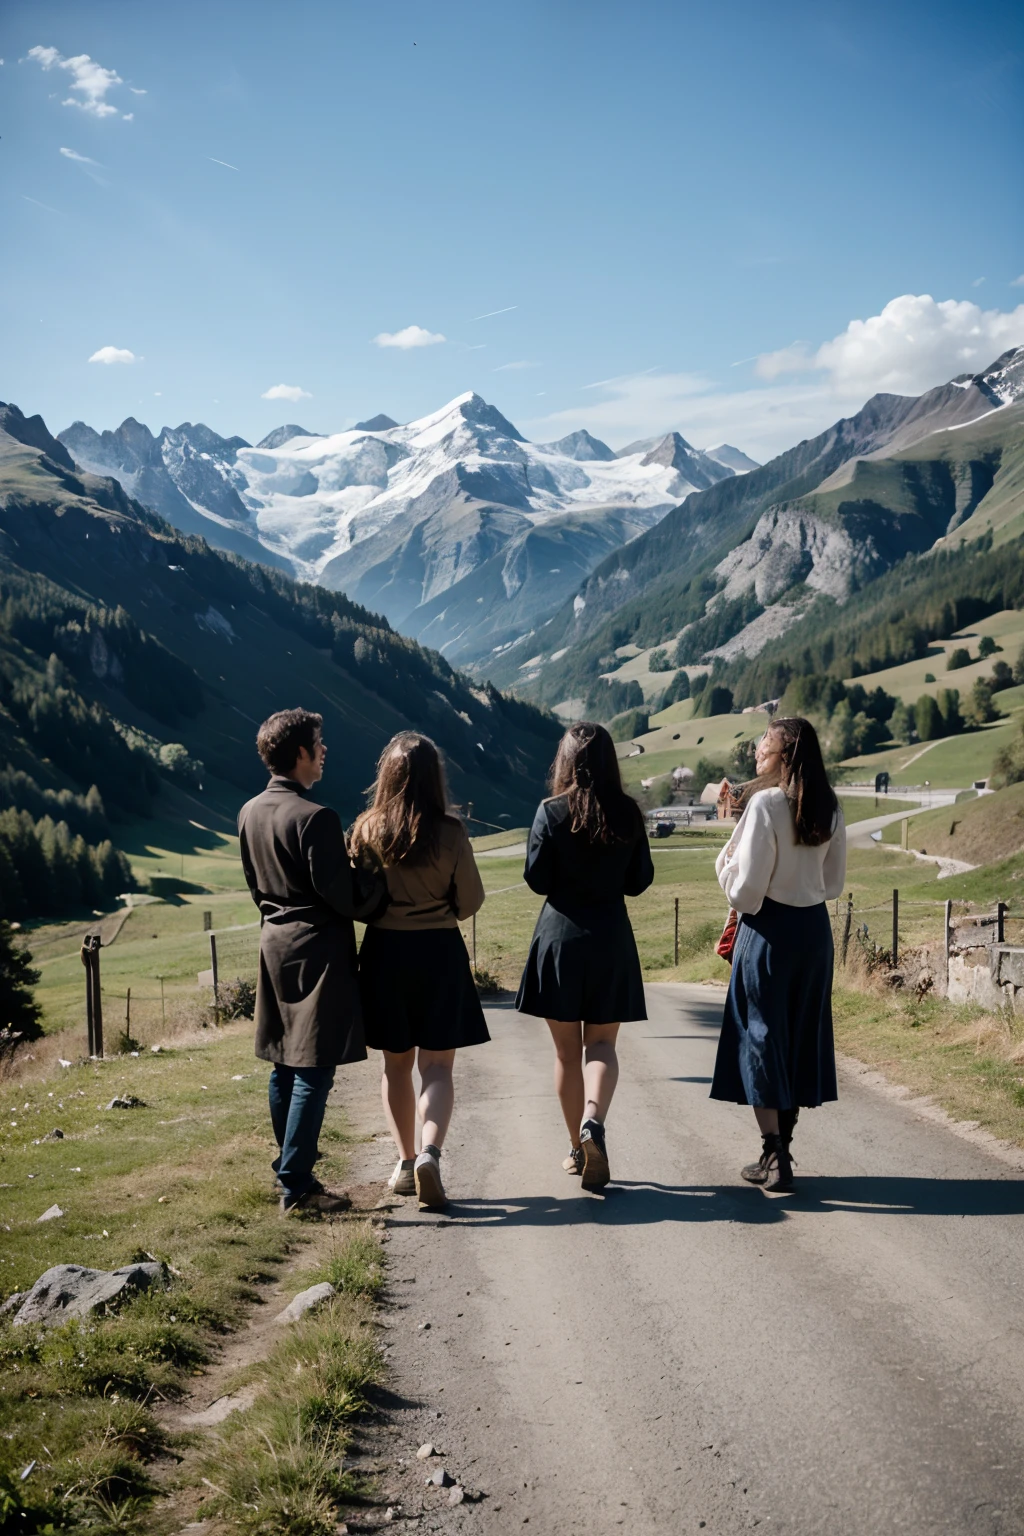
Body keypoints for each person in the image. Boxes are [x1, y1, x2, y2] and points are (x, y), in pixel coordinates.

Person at [238, 708, 389, 1215]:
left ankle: (292, 1174)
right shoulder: (316, 818)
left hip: (274, 942)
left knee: (283, 1061)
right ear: (300, 753)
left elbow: (256, 887)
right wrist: (372, 875)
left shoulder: (249, 811)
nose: (325, 751)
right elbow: (344, 898)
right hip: (318, 951)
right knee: (315, 1068)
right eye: (319, 744)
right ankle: (297, 1184)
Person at [351, 732, 488, 1211]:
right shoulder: (451, 832)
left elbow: (360, 902)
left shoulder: (367, 829)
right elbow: (470, 901)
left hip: (385, 953)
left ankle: (407, 1161)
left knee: (395, 1064)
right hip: (439, 953)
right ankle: (431, 1151)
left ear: (386, 777)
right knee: (438, 1067)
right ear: (434, 777)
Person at [709, 716, 847, 1191]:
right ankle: (782, 1145)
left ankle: (773, 1152)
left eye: (763, 748)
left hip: (767, 931)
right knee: (797, 1034)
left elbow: (745, 894)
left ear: (784, 756)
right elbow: (833, 884)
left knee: (760, 1035)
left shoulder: (766, 805)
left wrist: (723, 865)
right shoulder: (829, 806)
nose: (756, 756)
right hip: (813, 932)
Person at [515, 722, 654, 1190]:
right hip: (610, 937)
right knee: (602, 1047)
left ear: (566, 761)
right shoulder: (629, 814)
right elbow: (639, 881)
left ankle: (577, 1148)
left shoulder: (550, 811)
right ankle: (594, 1121)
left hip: (560, 938)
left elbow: (536, 878)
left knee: (565, 1054)